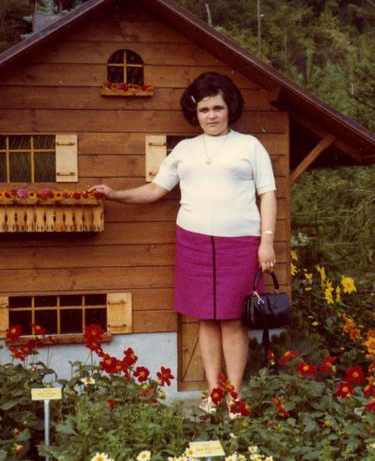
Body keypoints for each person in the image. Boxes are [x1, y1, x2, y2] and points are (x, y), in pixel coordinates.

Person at [91, 72, 277, 418]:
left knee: (233, 320)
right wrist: (115, 194)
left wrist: (266, 242)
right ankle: (213, 393)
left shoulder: (250, 146)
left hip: (240, 244)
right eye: (204, 109)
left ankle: (235, 396)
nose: (211, 115)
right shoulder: (185, 150)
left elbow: (267, 194)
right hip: (194, 243)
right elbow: (155, 190)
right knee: (205, 318)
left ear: (230, 108)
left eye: (217, 108)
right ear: (195, 112)